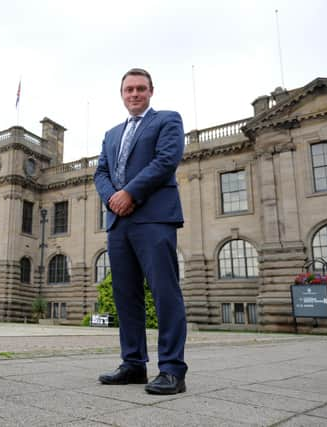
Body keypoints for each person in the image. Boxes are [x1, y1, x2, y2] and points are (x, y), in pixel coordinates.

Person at [94, 68, 187, 395]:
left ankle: (173, 370)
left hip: (154, 217)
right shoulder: (111, 134)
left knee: (165, 292)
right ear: (122, 94)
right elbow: (101, 173)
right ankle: (133, 364)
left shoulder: (167, 120)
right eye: (128, 89)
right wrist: (112, 197)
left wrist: (130, 193)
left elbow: (166, 161)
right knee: (126, 295)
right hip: (119, 223)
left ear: (151, 91)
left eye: (140, 89)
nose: (134, 94)